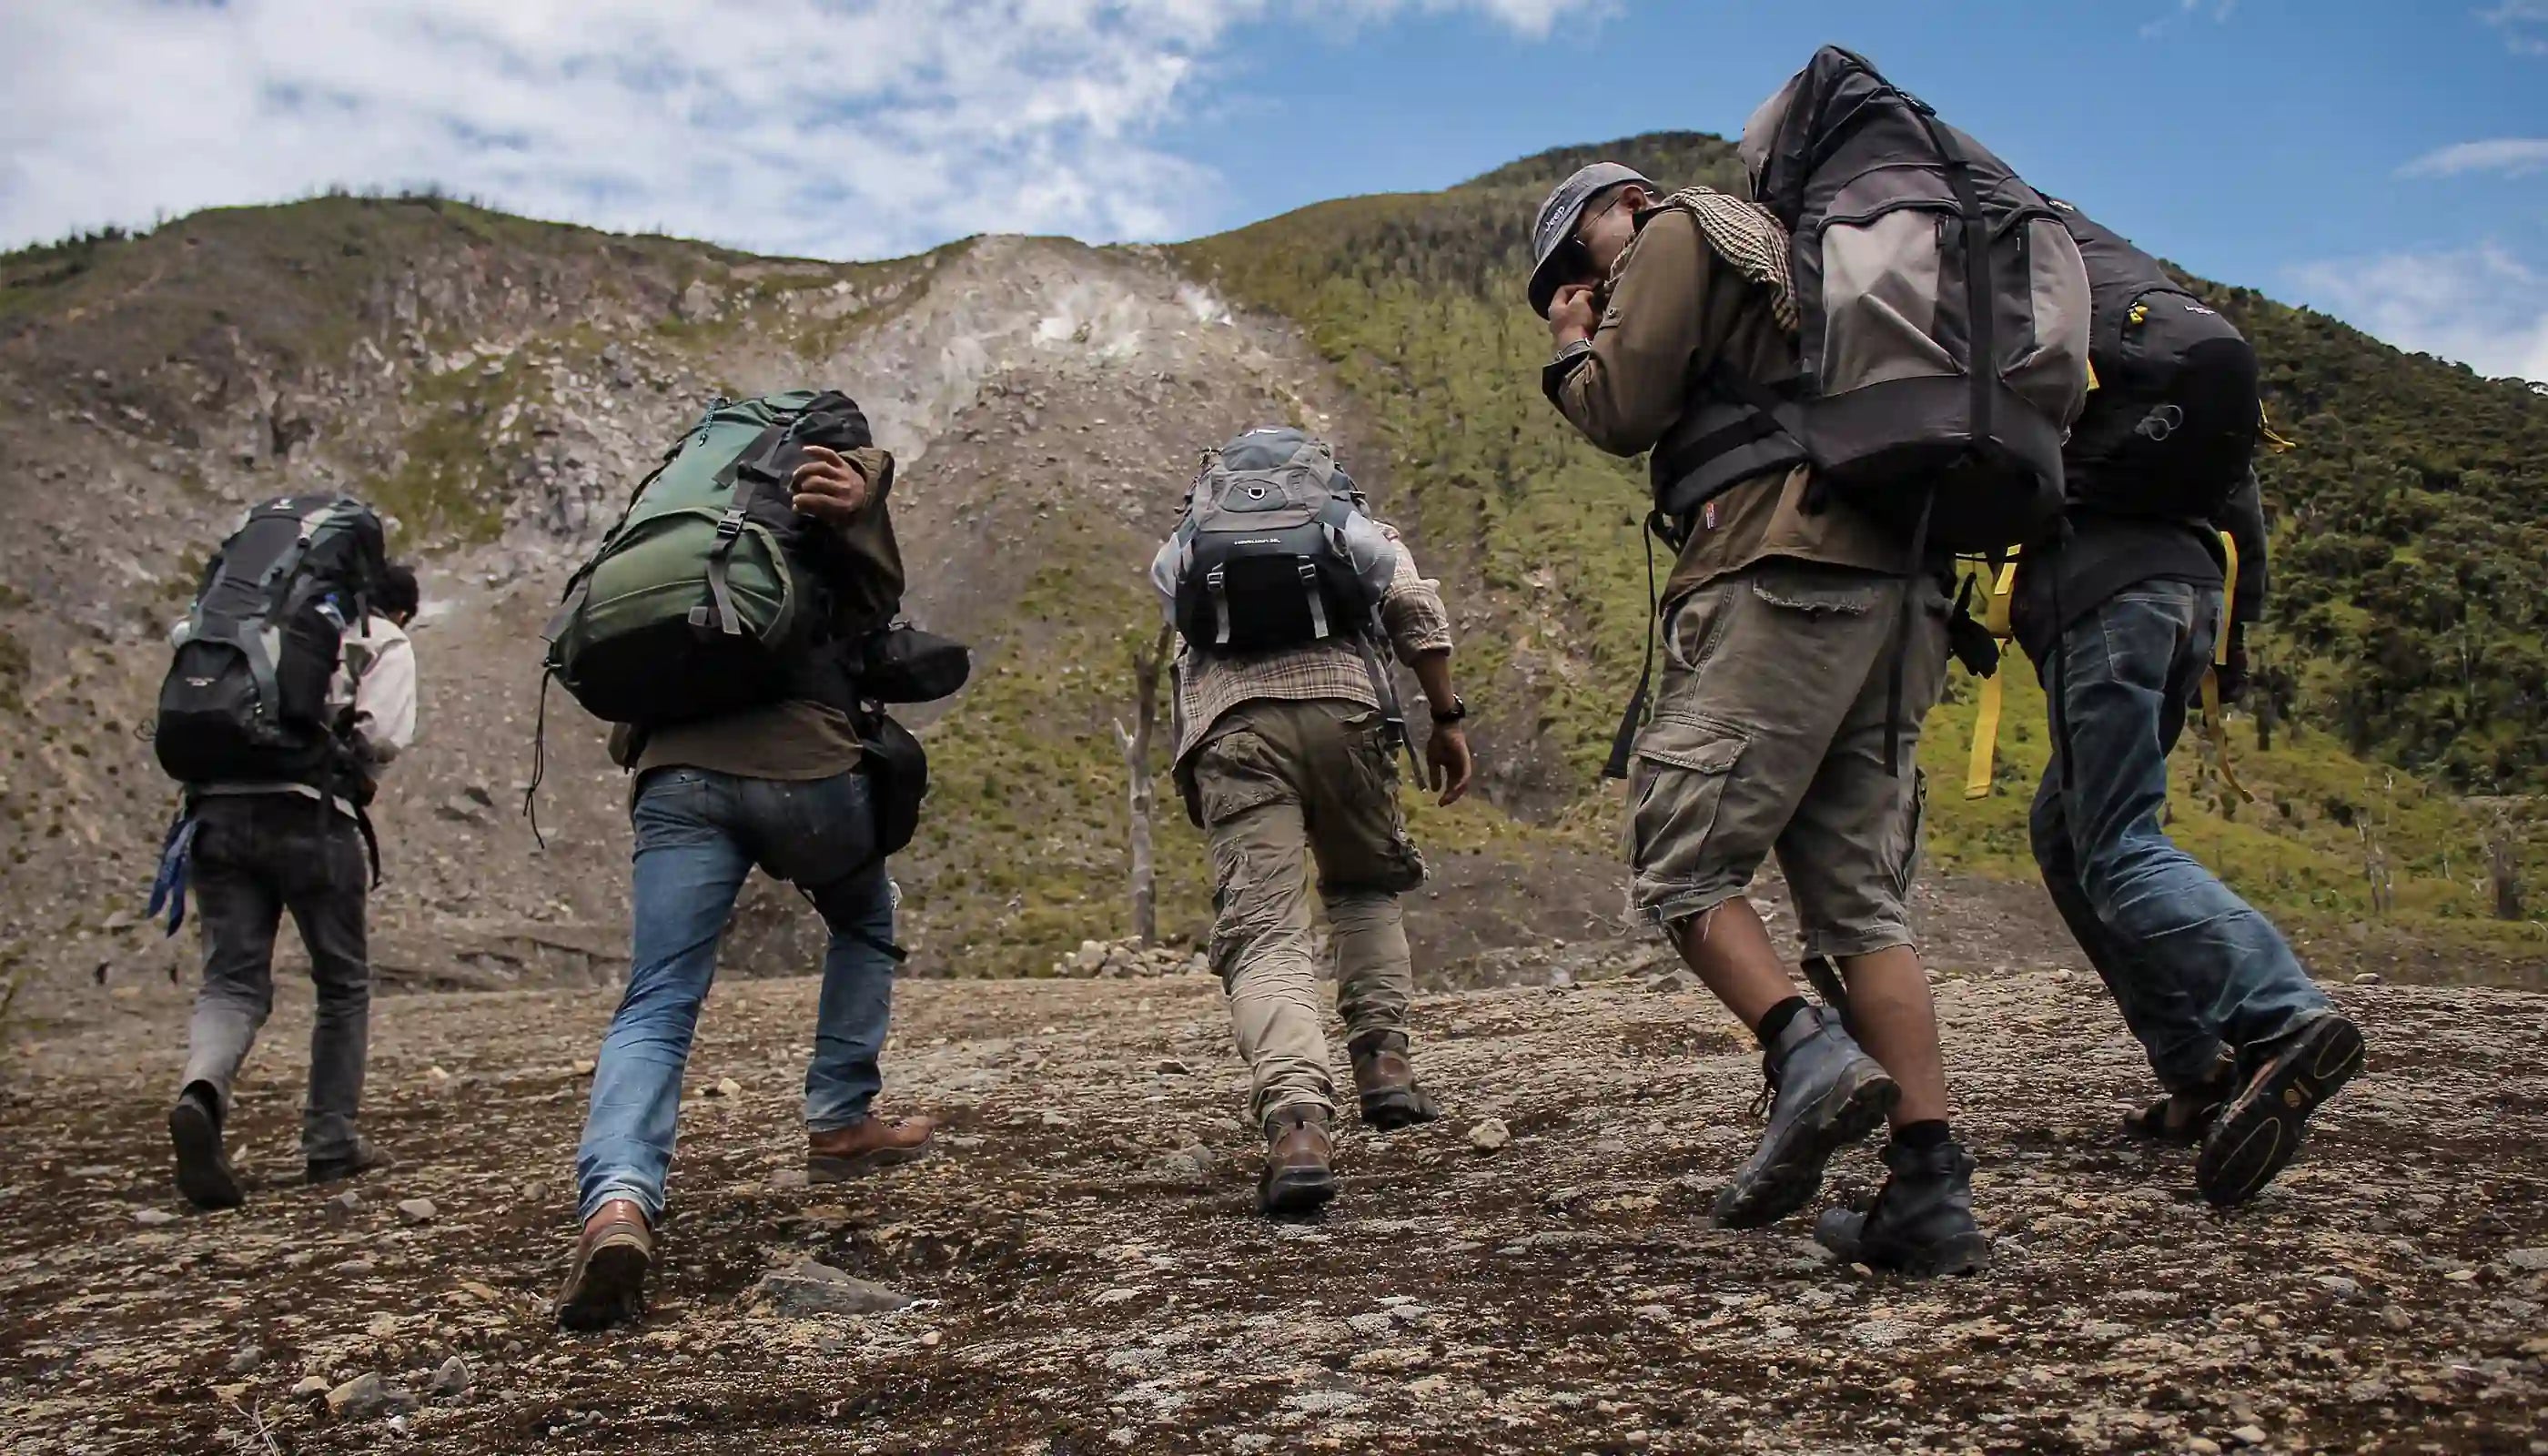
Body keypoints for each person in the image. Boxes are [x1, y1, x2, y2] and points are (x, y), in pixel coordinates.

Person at [1532, 163, 1988, 1276]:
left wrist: (1568, 345)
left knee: (1680, 858)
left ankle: (1800, 1047)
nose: (1573, 279)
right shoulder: (1794, 255)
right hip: (1902, 590)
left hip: (1780, 571)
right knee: (1857, 903)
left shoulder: (1679, 230)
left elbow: (1621, 409)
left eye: (1571, 254)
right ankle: (1927, 1187)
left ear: (1623, 204)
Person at [559, 441, 931, 1331]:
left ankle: (617, 1200)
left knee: (657, 997)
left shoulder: (677, 510)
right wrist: (861, 514)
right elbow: (877, 611)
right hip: (806, 771)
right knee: (865, 919)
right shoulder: (819, 494)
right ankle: (841, 1113)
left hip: (676, 776)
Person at [2019, 463, 2363, 1206]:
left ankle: (2282, 1019)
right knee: (2064, 832)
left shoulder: (2050, 351)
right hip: (2192, 595)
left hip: (2106, 596)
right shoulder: (2166, 354)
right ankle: (2195, 1074)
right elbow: (2238, 488)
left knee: (2114, 844)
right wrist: (2234, 630)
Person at [1151, 427, 1473, 1218]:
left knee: (1265, 933)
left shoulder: (1194, 532)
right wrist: (1446, 717)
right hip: (1349, 713)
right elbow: (1413, 609)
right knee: (1364, 887)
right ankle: (1385, 1066)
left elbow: (1180, 634)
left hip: (1234, 729)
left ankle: (1298, 1128)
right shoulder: (1346, 520)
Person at [167, 562, 420, 1210]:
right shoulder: (380, 638)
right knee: (341, 982)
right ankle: (330, 1141)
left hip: (215, 814)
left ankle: (201, 1091)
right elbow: (385, 735)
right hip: (312, 817)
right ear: (400, 610)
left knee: (231, 980)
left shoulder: (242, 623)